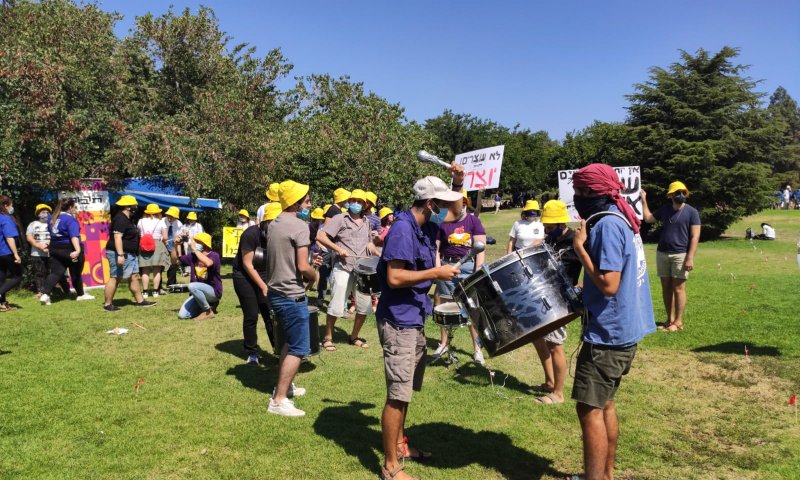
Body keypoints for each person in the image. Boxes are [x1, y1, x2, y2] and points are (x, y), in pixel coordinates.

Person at [568, 163, 655, 480]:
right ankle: (605, 475)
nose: (576, 196)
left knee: (589, 408)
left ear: (593, 191)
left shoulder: (606, 225)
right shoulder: (623, 217)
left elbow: (608, 284)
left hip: (608, 336)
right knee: (605, 404)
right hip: (625, 330)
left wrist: (580, 250)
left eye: (579, 191)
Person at [376, 174, 462, 480]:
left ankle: (400, 446)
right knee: (397, 394)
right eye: (441, 203)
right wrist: (435, 272)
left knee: (406, 391)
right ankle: (390, 466)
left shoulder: (425, 226)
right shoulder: (402, 229)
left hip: (413, 317)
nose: (446, 209)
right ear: (429, 203)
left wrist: (459, 182)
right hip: (398, 320)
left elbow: (457, 211)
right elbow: (394, 278)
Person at [266, 180, 320, 417]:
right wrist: (314, 273)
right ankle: (278, 401)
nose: (310, 204)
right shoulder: (300, 226)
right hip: (291, 295)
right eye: (307, 201)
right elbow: (302, 266)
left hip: (276, 292)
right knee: (299, 347)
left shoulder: (275, 223)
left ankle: (284, 388)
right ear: (296, 203)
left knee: (288, 343)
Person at [531, 200, 582, 405]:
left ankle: (558, 394)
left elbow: (594, 262)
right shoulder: (549, 240)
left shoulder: (575, 240)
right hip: (545, 295)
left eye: (550, 227)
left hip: (561, 301)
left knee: (555, 345)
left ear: (562, 224)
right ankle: (550, 382)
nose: (546, 229)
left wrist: (583, 284)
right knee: (536, 337)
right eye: (545, 226)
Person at [316, 189, 379, 351]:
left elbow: (369, 244)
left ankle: (354, 336)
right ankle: (328, 338)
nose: (356, 204)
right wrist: (337, 249)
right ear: (349, 202)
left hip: (363, 270)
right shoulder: (339, 218)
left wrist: (378, 253)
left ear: (365, 205)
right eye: (354, 200)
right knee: (336, 304)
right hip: (343, 267)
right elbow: (321, 236)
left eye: (360, 201)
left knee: (364, 306)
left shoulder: (367, 221)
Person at [432, 190, 487, 366]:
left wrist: (478, 270)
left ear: (465, 202)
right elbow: (437, 248)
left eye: (462, 202)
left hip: (469, 267)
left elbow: (480, 247)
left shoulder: (473, 221)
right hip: (448, 266)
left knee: (472, 308)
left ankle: (477, 349)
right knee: (445, 307)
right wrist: (438, 268)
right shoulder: (443, 222)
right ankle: (444, 344)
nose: (459, 205)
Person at [641, 181, 701, 333]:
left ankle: (678, 322)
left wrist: (690, 257)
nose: (681, 195)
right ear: (671, 195)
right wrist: (643, 199)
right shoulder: (666, 209)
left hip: (680, 255)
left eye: (683, 192)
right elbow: (648, 218)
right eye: (677, 192)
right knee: (666, 287)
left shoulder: (692, 212)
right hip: (662, 253)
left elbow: (695, 237)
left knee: (679, 288)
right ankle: (669, 320)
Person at [233, 202, 282, 365]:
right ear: (265, 221)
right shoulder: (250, 234)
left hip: (265, 275)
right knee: (252, 314)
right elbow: (247, 264)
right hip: (244, 276)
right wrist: (262, 286)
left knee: (271, 314)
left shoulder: (279, 235)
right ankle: (252, 352)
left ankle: (279, 350)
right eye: (273, 222)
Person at [103, 195, 156, 311]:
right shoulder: (120, 219)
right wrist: (120, 255)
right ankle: (107, 304)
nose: (135, 208)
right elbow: (117, 237)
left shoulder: (127, 219)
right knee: (115, 277)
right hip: (120, 253)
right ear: (128, 207)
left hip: (130, 254)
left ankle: (140, 301)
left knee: (134, 277)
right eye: (134, 206)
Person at [39, 198, 95, 305]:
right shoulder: (70, 219)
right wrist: (78, 250)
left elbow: (51, 235)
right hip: (69, 248)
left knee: (55, 273)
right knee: (76, 273)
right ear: (70, 207)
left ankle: (45, 294)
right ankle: (80, 295)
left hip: (55, 248)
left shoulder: (52, 218)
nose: (75, 209)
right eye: (74, 207)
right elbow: (74, 236)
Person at [170, 232, 221, 320]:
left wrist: (194, 249)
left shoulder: (214, 255)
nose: (193, 243)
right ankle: (208, 306)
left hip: (213, 292)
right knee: (182, 315)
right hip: (197, 292)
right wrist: (176, 245)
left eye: (197, 242)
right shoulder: (193, 256)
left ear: (204, 244)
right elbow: (175, 261)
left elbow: (208, 263)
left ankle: (208, 311)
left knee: (192, 286)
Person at [26, 203, 68, 299]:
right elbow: (29, 238)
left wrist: (49, 246)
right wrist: (39, 246)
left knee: (58, 272)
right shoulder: (32, 224)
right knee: (39, 273)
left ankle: (66, 290)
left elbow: (57, 236)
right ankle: (41, 292)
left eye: (47, 212)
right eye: (43, 212)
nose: (45, 213)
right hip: (37, 253)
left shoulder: (54, 223)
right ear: (38, 214)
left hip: (53, 252)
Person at [137, 204, 168, 299]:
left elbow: (139, 234)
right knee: (157, 270)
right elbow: (165, 237)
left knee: (145, 269)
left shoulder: (140, 221)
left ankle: (145, 292)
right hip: (157, 244)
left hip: (143, 244)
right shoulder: (161, 222)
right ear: (157, 212)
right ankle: (155, 291)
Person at [0, 195, 22, 312]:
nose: (11, 207)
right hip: (6, 251)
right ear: (5, 206)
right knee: (17, 276)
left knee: (1, 278)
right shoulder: (5, 218)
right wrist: (16, 254)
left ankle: (2, 304)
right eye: (11, 205)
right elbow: (9, 237)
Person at [162, 206, 183, 288]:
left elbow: (178, 240)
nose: (170, 218)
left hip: (173, 246)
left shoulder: (179, 224)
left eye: (172, 216)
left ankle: (171, 283)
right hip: (162, 244)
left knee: (173, 265)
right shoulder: (162, 221)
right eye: (169, 215)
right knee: (161, 265)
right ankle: (159, 286)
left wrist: (179, 254)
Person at [181, 211, 204, 275]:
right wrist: (185, 234)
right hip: (187, 244)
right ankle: (188, 271)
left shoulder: (198, 226)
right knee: (188, 256)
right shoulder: (185, 226)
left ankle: (197, 270)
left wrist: (191, 237)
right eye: (190, 219)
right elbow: (181, 234)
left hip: (197, 244)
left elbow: (200, 235)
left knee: (197, 257)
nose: (191, 220)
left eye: (193, 219)